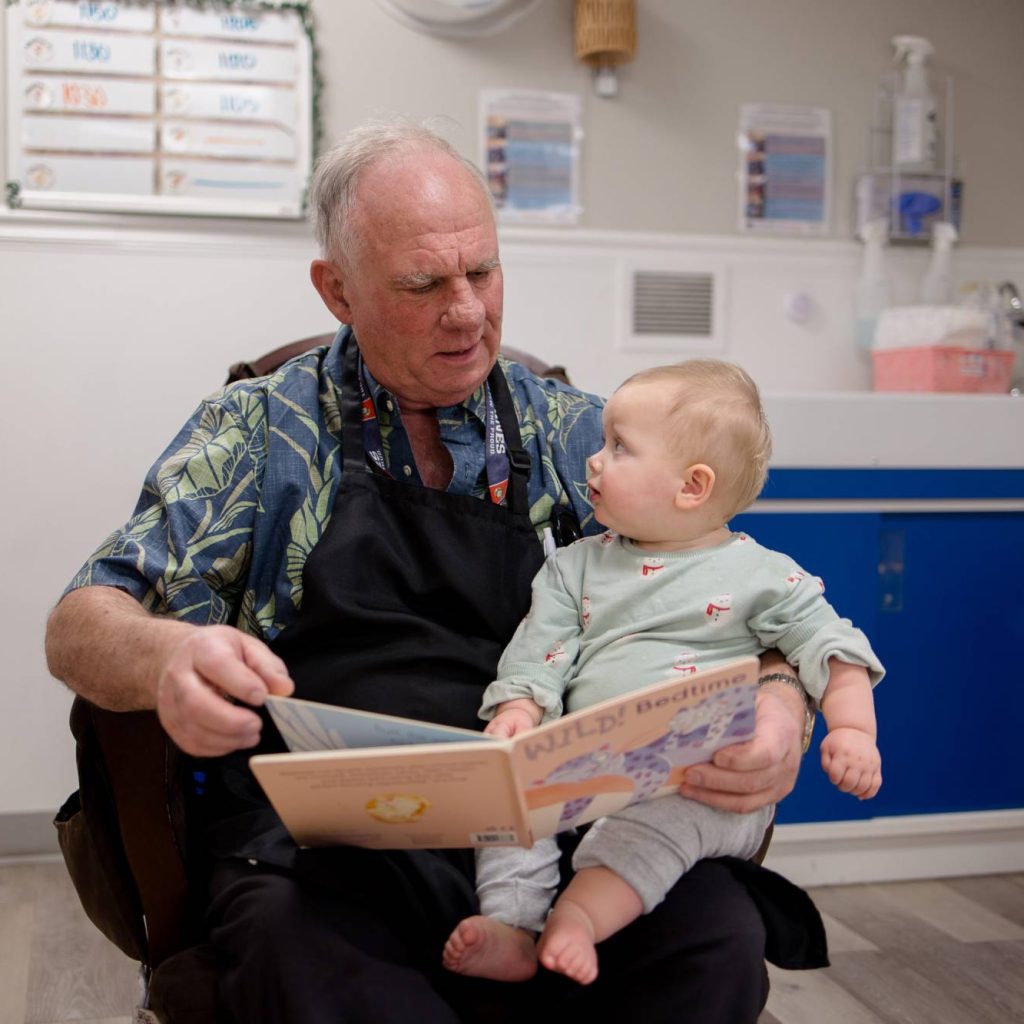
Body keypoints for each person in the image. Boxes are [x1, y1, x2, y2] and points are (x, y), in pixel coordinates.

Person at [45, 120, 820, 1024]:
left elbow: (750, 595)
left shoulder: (583, 437)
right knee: (299, 956)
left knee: (715, 936)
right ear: (337, 289)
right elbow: (82, 620)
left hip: (554, 836)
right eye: (423, 284)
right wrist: (164, 659)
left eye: (482, 272)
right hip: (333, 853)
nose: (467, 311)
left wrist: (779, 704)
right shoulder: (256, 432)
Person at [443, 359, 883, 987]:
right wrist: (520, 712)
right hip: (585, 766)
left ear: (692, 486)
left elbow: (833, 648)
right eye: (601, 442)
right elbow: (538, 652)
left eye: (619, 447)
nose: (593, 460)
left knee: (656, 827)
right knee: (507, 803)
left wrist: (853, 732)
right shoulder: (574, 568)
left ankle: (577, 920)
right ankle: (513, 926)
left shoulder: (762, 576)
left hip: (702, 777)